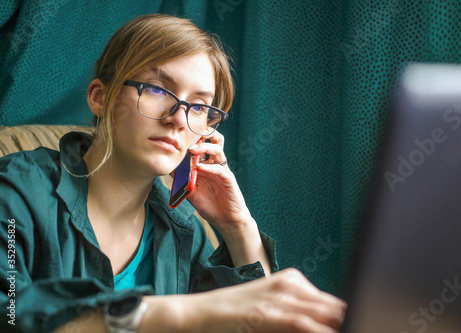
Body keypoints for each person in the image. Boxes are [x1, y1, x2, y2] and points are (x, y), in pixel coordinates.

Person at [0, 14, 346, 333]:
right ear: (99, 97)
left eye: (199, 106)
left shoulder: (182, 229)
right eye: (157, 90)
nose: (179, 118)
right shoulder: (16, 192)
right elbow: (9, 313)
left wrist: (237, 225)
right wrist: (172, 314)